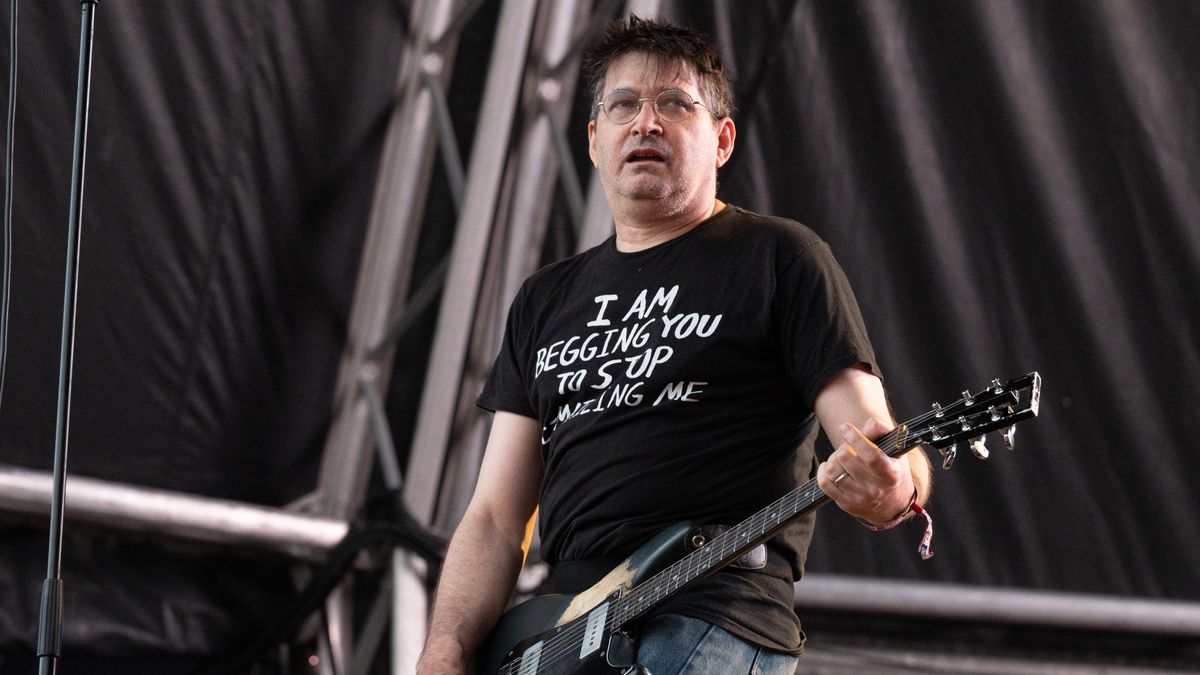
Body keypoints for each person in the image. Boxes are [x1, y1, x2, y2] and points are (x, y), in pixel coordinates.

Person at [416, 15, 931, 675]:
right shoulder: (544, 300)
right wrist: (445, 647)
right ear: (595, 139)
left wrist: (896, 483)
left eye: (674, 104)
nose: (646, 122)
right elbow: (493, 517)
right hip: (561, 626)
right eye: (623, 104)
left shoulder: (778, 258)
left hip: (713, 606)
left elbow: (879, 436)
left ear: (722, 140)